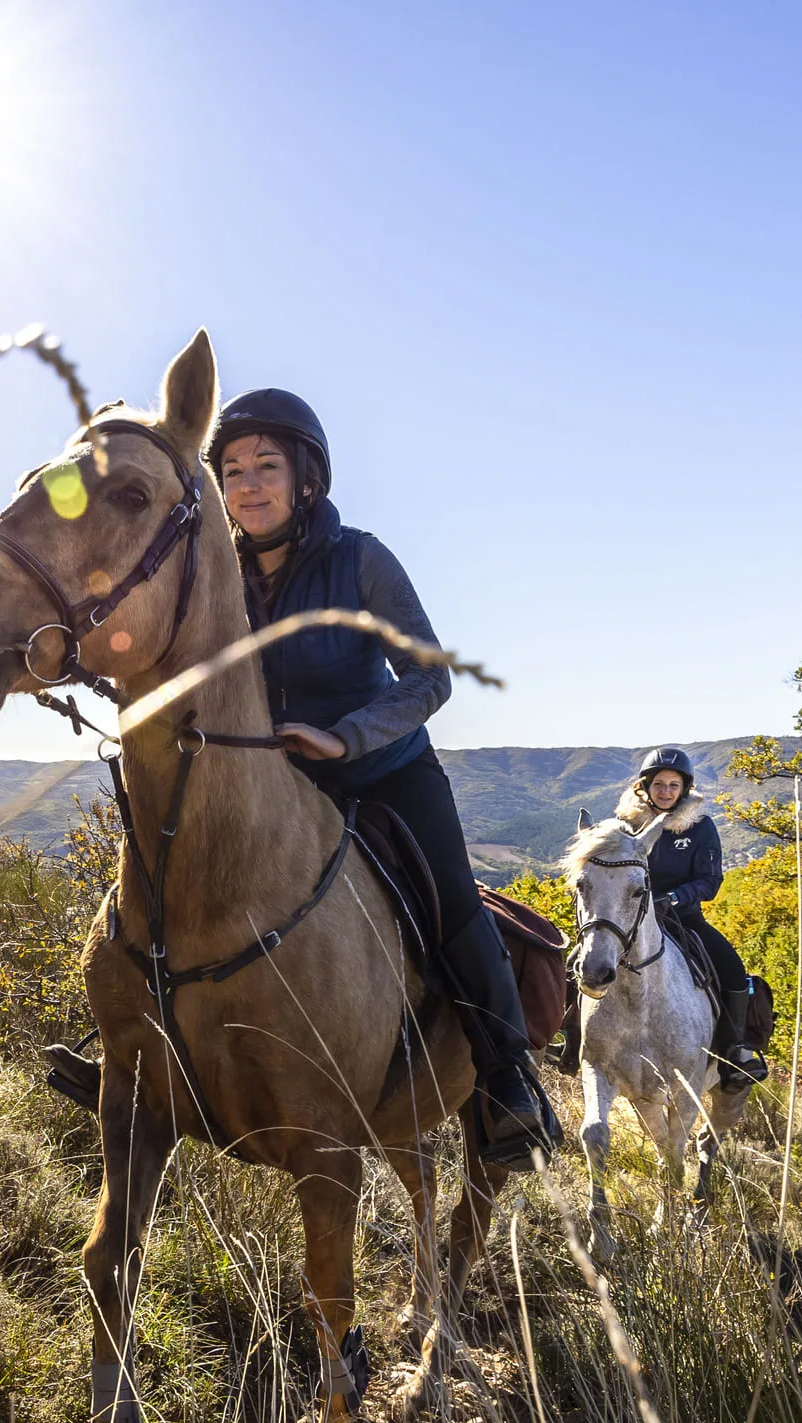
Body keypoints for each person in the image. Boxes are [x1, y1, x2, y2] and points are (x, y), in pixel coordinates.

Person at [206, 388, 560, 1171]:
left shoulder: (360, 557)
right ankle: (143, 1056)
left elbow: (429, 678)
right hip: (272, 790)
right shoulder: (217, 575)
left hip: (384, 773)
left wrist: (342, 737)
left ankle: (508, 1083)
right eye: (232, 471)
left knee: (451, 902)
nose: (248, 485)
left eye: (267, 465)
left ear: (307, 481)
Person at [556, 747, 766, 1091]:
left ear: (684, 789)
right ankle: (571, 1040)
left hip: (682, 918)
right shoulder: (622, 828)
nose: (666, 791)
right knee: (577, 963)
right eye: (659, 784)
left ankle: (734, 1053)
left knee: (732, 968)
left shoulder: (700, 828)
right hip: (627, 921)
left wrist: (674, 898)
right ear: (644, 787)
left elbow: (710, 881)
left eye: (673, 785)